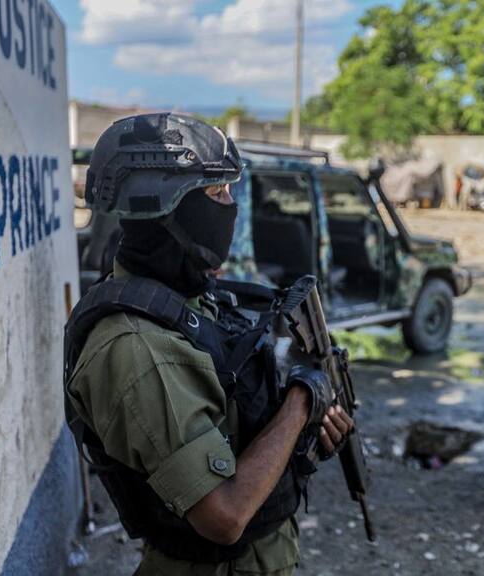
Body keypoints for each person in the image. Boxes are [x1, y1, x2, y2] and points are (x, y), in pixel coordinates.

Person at [64, 113, 353, 574]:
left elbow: (232, 422)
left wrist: (304, 436)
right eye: (217, 193)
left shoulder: (188, 300)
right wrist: (301, 402)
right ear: (167, 206)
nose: (230, 208)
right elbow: (224, 516)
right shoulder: (135, 347)